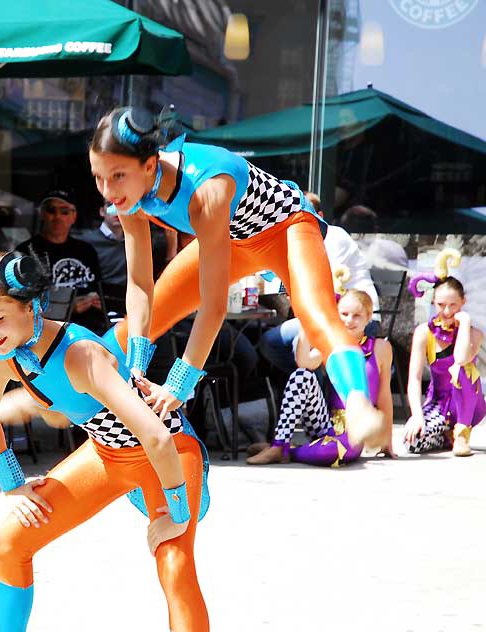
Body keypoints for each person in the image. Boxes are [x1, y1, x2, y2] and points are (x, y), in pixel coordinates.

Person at [87, 106, 384, 449]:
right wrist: (138, 357)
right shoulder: (126, 197)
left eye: (118, 176)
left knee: (315, 313)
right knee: (155, 313)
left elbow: (213, 306)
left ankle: (360, 405)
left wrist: (178, 384)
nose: (107, 190)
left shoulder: (207, 191)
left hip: (286, 228)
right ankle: (64, 385)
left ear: (150, 165)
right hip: (233, 239)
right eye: (98, 176)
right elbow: (140, 286)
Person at [0, 252, 209, 632]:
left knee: (174, 563)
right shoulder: (1, 353)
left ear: (31, 308)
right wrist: (12, 484)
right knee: (8, 544)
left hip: (168, 456)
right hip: (105, 455)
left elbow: (156, 436)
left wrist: (178, 517)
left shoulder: (81, 354)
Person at [247, 289, 393, 465]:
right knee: (302, 376)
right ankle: (279, 444)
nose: (348, 320)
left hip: (356, 429)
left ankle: (286, 450)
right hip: (325, 424)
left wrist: (388, 439)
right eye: (344, 314)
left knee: (335, 450)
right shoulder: (333, 346)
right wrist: (306, 325)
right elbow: (304, 362)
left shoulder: (381, 347)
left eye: (356, 316)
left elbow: (384, 395)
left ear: (369, 317)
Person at [258, 192, 380, 376]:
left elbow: (325, 284)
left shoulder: (334, 237)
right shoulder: (296, 241)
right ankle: (309, 388)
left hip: (358, 319)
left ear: (320, 217)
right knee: (270, 342)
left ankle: (315, 392)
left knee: (295, 342)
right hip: (323, 317)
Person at [403, 249, 485, 457]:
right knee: (414, 442)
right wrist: (417, 415)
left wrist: (464, 323)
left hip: (467, 404)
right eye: (441, 305)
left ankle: (461, 434)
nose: (447, 311)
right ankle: (446, 435)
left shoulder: (474, 334)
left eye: (453, 305)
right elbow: (414, 378)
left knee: (461, 368)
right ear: (433, 303)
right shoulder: (424, 332)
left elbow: (460, 358)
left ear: (463, 303)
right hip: (439, 404)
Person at [16, 189, 106, 334]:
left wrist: (98, 301)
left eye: (65, 211)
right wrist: (68, 306)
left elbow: (99, 290)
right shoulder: (26, 252)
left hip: (91, 330)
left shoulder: (86, 250)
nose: (57, 216)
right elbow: (22, 302)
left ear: (73, 216)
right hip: (48, 331)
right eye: (51, 210)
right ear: (42, 214)